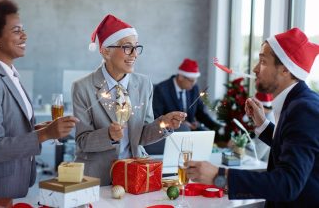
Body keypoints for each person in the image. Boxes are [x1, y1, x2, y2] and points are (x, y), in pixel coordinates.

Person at [186, 28, 319, 207]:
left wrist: (219, 176)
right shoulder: (297, 102)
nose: (255, 69)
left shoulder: (303, 109)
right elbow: (290, 143)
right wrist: (263, 124)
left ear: (286, 70)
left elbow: (288, 184)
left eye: (263, 61)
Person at [0, 0, 79, 198]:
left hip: (8, 188)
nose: (25, 35)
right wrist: (44, 135)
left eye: (23, 29)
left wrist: (39, 129)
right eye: (16, 30)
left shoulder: (8, 74)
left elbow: (9, 129)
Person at [72, 14, 186, 186]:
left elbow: (142, 136)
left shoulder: (144, 84)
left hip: (135, 175)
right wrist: (108, 135)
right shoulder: (83, 87)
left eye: (136, 47)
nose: (134, 54)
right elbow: (82, 141)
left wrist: (164, 124)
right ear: (105, 51)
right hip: (97, 178)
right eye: (127, 47)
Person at [153, 58, 221, 131]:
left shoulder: (194, 88)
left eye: (195, 81)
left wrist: (217, 128)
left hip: (190, 128)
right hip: (169, 129)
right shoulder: (161, 89)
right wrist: (180, 123)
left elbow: (201, 113)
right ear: (181, 77)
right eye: (191, 81)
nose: (193, 84)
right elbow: (157, 117)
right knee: (184, 128)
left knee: (205, 131)